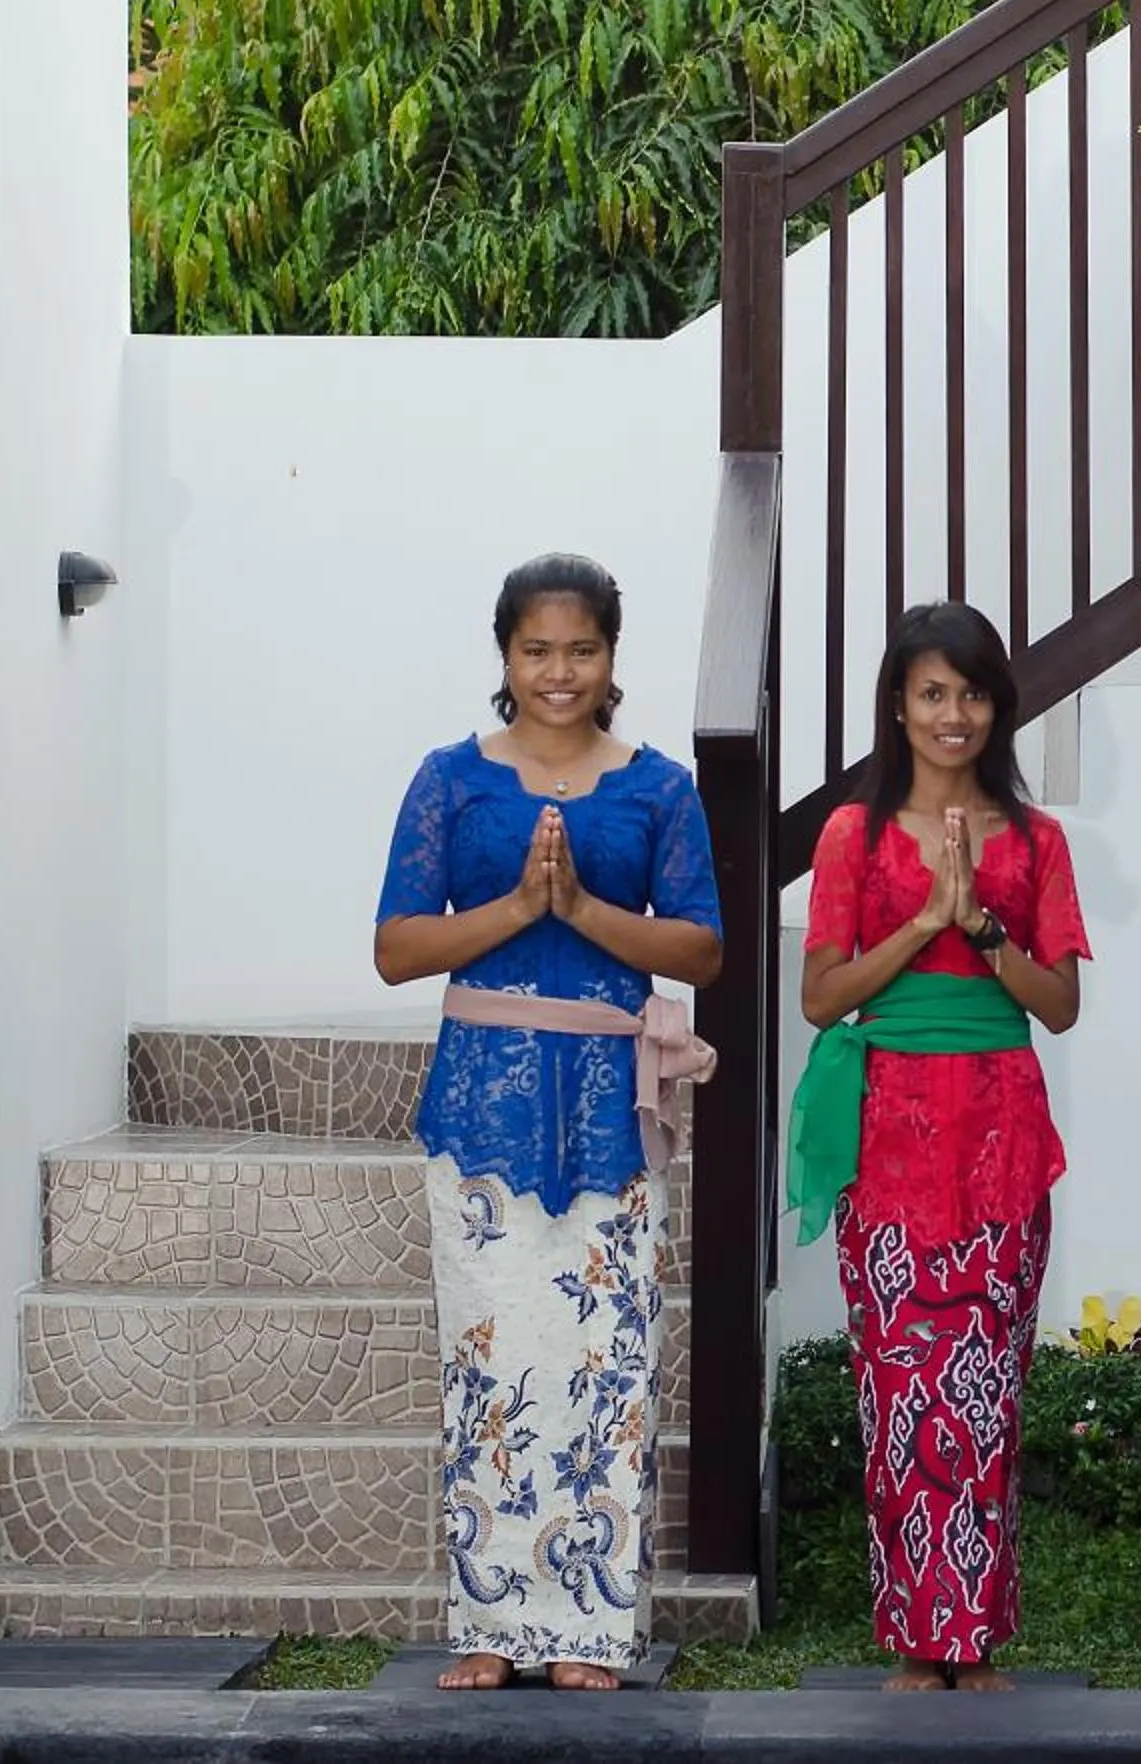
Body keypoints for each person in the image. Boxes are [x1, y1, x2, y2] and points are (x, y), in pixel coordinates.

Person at [373, 553, 723, 1692]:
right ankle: (489, 1621)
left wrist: (581, 909)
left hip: (613, 1114)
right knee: (487, 1357)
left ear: (613, 657)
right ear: (505, 656)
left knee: (606, 1365)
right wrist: (521, 906)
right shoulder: (449, 780)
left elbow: (701, 946)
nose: (558, 671)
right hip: (483, 1102)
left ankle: (589, 1630)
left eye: (581, 649)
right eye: (537, 650)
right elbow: (397, 948)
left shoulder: (658, 787)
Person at [790, 601, 1088, 1691]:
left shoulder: (1038, 839)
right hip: (891, 1135)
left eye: (970, 692)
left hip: (1002, 1129)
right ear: (899, 706)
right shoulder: (852, 838)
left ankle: (977, 1638)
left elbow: (1057, 1004)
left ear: (996, 704)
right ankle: (919, 1644)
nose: (952, 713)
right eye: (930, 693)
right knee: (901, 1390)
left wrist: (987, 927)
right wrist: (924, 922)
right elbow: (821, 996)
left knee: (987, 1390)